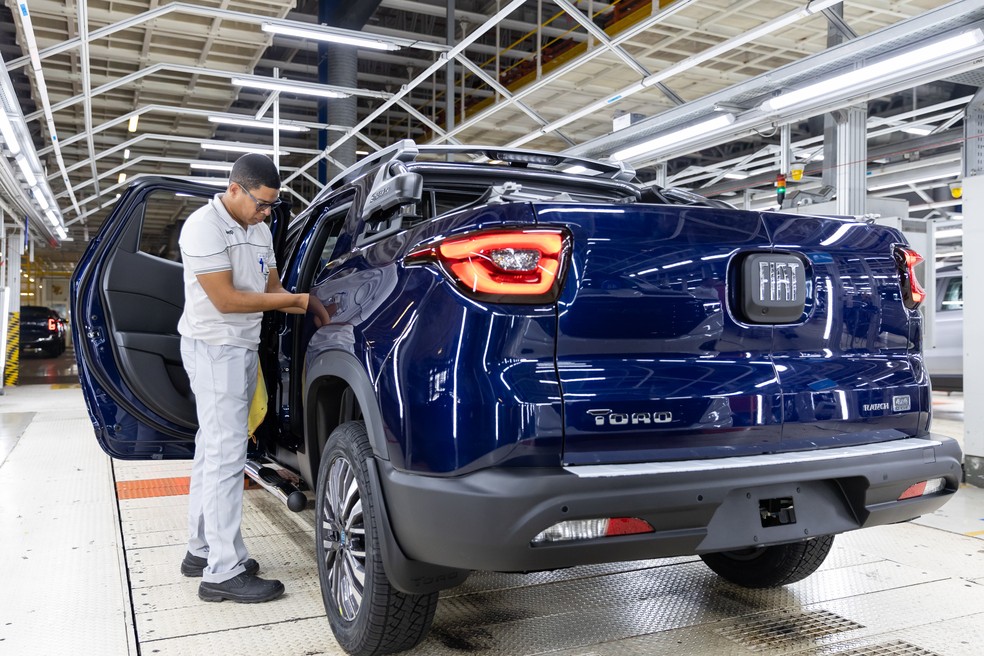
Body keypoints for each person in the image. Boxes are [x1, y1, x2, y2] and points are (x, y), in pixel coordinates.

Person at [176, 153, 309, 603]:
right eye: (262, 203)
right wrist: (301, 302)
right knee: (225, 457)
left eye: (272, 205)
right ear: (235, 188)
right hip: (215, 348)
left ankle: (201, 550)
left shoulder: (260, 230)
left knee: (210, 450)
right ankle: (222, 572)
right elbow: (228, 301)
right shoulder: (203, 227)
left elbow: (271, 290)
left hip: (242, 348)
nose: (267, 212)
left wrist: (304, 301)